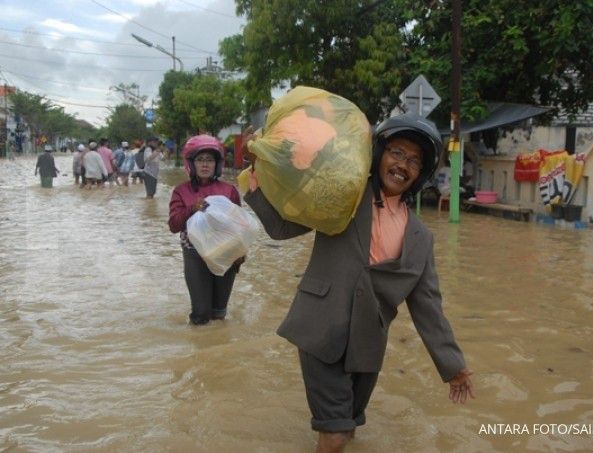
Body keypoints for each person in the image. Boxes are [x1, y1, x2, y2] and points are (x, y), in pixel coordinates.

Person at [242, 114, 474, 452]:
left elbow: (429, 308)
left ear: (420, 173)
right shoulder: (346, 193)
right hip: (319, 328)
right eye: (396, 152)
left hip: (368, 347)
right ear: (379, 155)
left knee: (347, 431)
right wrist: (257, 170)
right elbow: (283, 227)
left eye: (413, 160)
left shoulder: (421, 238)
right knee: (335, 434)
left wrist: (453, 365)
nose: (402, 165)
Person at [168, 135, 245, 325]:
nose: (205, 165)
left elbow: (240, 225)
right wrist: (191, 209)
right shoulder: (181, 191)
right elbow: (174, 225)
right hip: (194, 253)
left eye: (209, 160)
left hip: (225, 252)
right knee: (201, 314)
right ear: (191, 163)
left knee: (219, 313)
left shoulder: (229, 190)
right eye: (200, 160)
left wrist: (240, 254)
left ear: (217, 164)